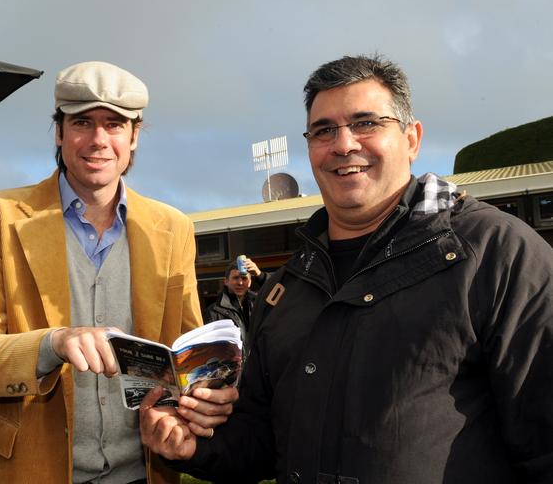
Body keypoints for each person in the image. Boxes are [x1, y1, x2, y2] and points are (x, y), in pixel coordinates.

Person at [140, 55, 553, 483]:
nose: (344, 144)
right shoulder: (285, 289)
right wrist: (194, 446)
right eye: (324, 131)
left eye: (366, 123)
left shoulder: (497, 252)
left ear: (412, 138)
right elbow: (263, 443)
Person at [0, 62, 236, 484]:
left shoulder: (173, 228)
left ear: (134, 137)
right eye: (82, 122)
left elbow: (185, 359)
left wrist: (204, 397)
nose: (99, 140)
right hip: (29, 472)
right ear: (59, 132)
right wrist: (52, 343)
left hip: (144, 473)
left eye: (114, 124)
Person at [203, 258, 268, 351]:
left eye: (244, 278)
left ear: (250, 282)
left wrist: (260, 275)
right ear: (226, 281)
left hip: (258, 363)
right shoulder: (213, 311)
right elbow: (210, 348)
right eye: (235, 278)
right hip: (231, 364)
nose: (240, 283)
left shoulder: (259, 303)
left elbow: (282, 294)